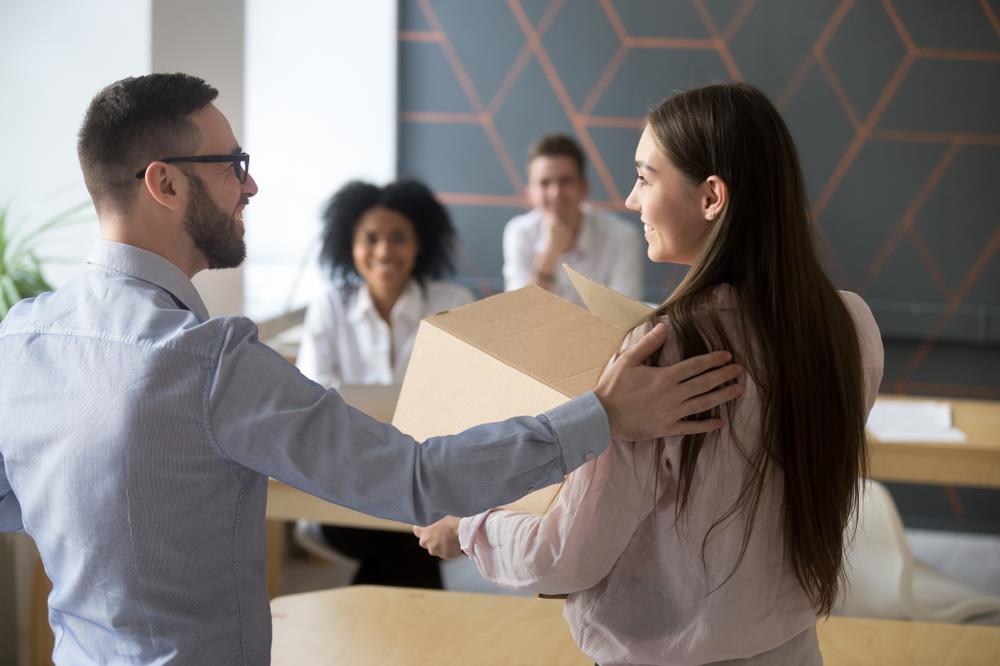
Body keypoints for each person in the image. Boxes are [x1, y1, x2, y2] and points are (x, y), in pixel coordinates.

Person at [0, 73, 743, 665]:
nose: (250, 187)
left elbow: (18, 500)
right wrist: (603, 415)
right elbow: (415, 479)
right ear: (164, 183)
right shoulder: (206, 362)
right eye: (233, 166)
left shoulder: (22, 335)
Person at [415, 83, 885, 665]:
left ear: (712, 196)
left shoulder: (663, 352)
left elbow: (566, 553)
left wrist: (466, 524)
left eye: (644, 176)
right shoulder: (851, 324)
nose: (632, 200)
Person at [296, 179, 474, 589]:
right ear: (349, 244)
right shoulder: (330, 306)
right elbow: (311, 394)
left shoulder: (453, 301)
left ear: (420, 244)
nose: (383, 251)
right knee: (408, 547)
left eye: (399, 238)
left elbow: (466, 398)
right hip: (349, 479)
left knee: (400, 542)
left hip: (428, 475)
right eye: (370, 238)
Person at [503, 133, 644, 304]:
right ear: (529, 193)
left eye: (565, 181)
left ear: (584, 187)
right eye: (544, 183)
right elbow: (518, 313)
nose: (555, 193)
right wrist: (550, 253)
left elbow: (625, 315)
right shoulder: (519, 232)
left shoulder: (622, 237)